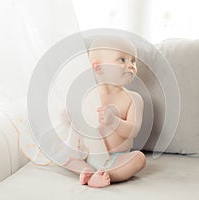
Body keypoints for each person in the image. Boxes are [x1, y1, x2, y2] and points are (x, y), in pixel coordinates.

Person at [62, 36, 146, 188]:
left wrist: (114, 121)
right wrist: (69, 118)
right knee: (64, 155)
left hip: (116, 158)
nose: (131, 65)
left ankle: (100, 175)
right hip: (88, 156)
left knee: (139, 158)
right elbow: (78, 125)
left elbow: (132, 130)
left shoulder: (133, 99)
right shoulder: (88, 96)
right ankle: (86, 171)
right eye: (122, 59)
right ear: (98, 67)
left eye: (133, 60)